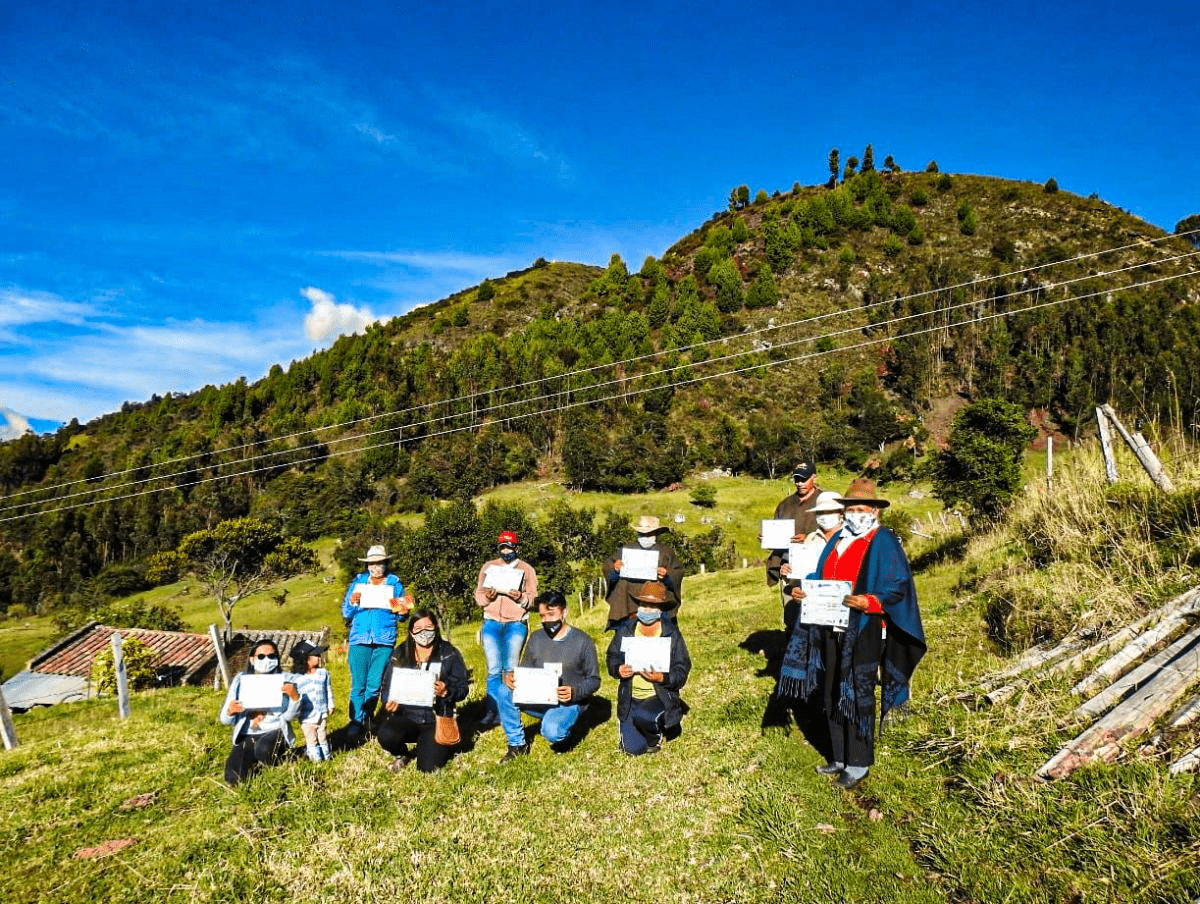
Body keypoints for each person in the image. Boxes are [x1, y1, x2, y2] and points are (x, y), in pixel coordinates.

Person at [779, 479, 926, 790]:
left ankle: (859, 762)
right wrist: (804, 591)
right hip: (830, 623)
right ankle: (840, 755)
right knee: (832, 688)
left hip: (864, 627)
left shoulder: (882, 540)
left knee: (856, 692)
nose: (856, 514)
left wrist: (870, 602)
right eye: (852, 509)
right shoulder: (838, 539)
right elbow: (820, 576)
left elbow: (898, 586)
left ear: (874, 511)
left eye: (862, 509)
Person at [499, 590, 600, 760]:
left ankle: (566, 727)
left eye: (551, 614)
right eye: (542, 616)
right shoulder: (536, 638)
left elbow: (594, 680)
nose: (546, 620)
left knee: (552, 732)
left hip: (567, 702)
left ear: (564, 612)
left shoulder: (583, 641)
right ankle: (517, 744)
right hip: (539, 697)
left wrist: (574, 692)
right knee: (503, 691)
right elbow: (525, 670)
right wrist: (510, 677)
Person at [376, 609, 470, 773]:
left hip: (436, 719)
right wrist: (388, 703)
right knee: (386, 734)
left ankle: (434, 745)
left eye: (428, 627)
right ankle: (402, 754)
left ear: (436, 628)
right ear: (411, 631)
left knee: (427, 767)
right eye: (418, 628)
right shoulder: (400, 653)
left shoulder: (449, 653)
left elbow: (463, 688)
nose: (424, 632)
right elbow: (387, 687)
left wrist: (447, 692)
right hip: (407, 717)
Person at [606, 581, 692, 755]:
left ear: (661, 609)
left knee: (645, 717)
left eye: (652, 606)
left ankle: (655, 732)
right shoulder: (626, 630)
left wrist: (663, 678)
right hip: (631, 697)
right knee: (632, 749)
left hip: (658, 695)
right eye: (644, 604)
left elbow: (682, 667)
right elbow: (612, 656)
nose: (646, 610)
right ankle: (639, 726)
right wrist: (617, 669)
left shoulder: (670, 633)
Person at [341, 544, 411, 737]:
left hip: (384, 640)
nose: (375, 567)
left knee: (374, 683)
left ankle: (368, 718)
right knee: (358, 684)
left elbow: (401, 615)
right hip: (359, 639)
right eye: (372, 563)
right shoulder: (358, 582)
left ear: (385, 563)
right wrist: (353, 602)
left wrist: (404, 612)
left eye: (379, 562)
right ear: (367, 565)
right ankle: (355, 722)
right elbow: (346, 613)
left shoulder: (395, 584)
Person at [474, 530, 538, 730]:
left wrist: (520, 598)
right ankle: (492, 712)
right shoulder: (489, 567)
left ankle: (510, 709)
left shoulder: (527, 569)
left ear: (516, 547)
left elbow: (534, 599)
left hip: (516, 623)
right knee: (493, 668)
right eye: (502, 546)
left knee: (510, 669)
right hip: (491, 622)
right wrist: (489, 597)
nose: (506, 550)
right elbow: (479, 596)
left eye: (509, 546)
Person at [218, 639, 301, 785]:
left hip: (274, 730)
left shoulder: (285, 679)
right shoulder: (240, 680)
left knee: (264, 751)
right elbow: (225, 719)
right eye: (261, 657)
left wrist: (295, 698)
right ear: (252, 659)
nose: (267, 660)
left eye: (272, 656)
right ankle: (254, 759)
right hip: (247, 733)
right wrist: (230, 711)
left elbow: (289, 716)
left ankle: (285, 757)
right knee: (233, 776)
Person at [778, 491, 845, 632]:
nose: (824, 516)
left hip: (843, 610)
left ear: (840, 513)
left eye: (829, 512)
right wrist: (789, 574)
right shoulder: (810, 540)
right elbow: (798, 581)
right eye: (820, 512)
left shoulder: (851, 538)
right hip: (816, 613)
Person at [604, 515, 684, 629]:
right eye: (642, 534)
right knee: (626, 635)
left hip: (656, 599)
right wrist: (615, 570)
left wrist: (667, 574)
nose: (645, 537)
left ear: (656, 534)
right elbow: (608, 569)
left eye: (649, 534)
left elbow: (677, 572)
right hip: (628, 601)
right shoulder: (626, 550)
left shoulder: (666, 552)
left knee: (660, 633)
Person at [765, 461, 823, 596]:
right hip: (788, 569)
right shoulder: (785, 505)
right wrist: (767, 538)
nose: (800, 483)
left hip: (817, 568)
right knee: (791, 612)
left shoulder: (824, 501)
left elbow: (836, 532)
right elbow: (776, 538)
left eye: (804, 479)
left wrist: (808, 537)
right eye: (797, 479)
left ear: (814, 478)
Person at [289, 640, 334, 762]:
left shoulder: (323, 673)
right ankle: (315, 758)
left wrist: (330, 705)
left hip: (322, 712)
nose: (320, 658)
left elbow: (327, 689)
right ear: (305, 658)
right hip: (307, 716)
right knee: (311, 737)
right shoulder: (297, 678)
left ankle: (326, 755)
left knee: (322, 734)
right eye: (316, 656)